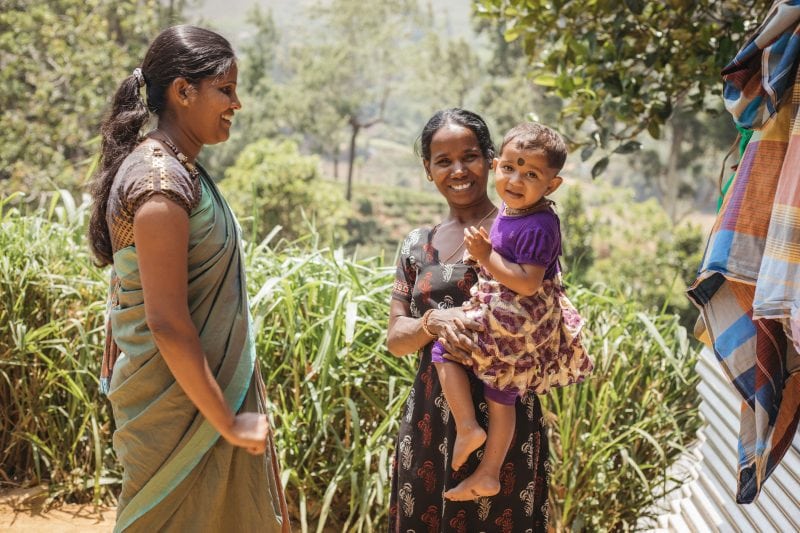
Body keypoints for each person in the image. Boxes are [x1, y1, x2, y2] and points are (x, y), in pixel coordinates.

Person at [87, 25, 289, 532]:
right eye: (225, 89)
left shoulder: (179, 171)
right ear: (182, 91)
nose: (236, 103)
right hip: (177, 408)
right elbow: (167, 322)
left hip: (188, 394)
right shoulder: (160, 184)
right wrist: (227, 421)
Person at [387, 109, 549, 531]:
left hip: (505, 424)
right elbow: (396, 339)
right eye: (443, 161)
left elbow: (541, 317)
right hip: (427, 424)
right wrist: (432, 323)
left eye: (470, 156)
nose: (458, 170)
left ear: (492, 160)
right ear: (428, 170)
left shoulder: (520, 230)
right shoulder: (415, 246)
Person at [430, 122, 592, 501]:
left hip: (516, 317)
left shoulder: (540, 224)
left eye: (531, 173)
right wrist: (485, 255)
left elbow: (527, 282)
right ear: (496, 165)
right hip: (508, 314)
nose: (515, 180)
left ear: (551, 186)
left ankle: (468, 427)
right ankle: (487, 472)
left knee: (446, 347)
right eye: (509, 168)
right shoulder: (512, 208)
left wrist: (487, 257)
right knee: (500, 392)